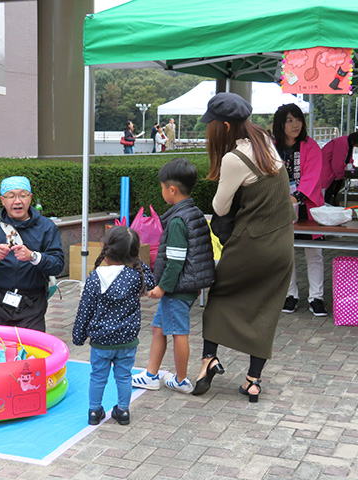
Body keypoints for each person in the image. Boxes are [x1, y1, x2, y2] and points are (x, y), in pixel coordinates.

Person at [192, 92, 295, 403]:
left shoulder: (234, 158)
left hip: (253, 242)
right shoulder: (265, 141)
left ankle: (208, 360)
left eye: (211, 125)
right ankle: (253, 381)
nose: (208, 130)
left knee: (220, 296)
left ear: (224, 126)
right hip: (282, 244)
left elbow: (220, 208)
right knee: (265, 308)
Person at [132, 158, 215, 394]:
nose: (161, 191)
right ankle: (151, 374)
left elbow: (176, 259)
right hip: (185, 286)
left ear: (172, 189)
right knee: (159, 328)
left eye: (161, 187)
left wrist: (162, 288)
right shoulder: (194, 211)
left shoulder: (178, 220)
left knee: (179, 332)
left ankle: (181, 380)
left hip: (176, 288)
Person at [72, 226, 155, 426]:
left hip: (101, 341)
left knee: (98, 377)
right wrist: (138, 261)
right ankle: (123, 411)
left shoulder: (95, 277)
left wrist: (79, 335)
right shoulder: (137, 276)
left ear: (107, 250)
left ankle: (94, 411)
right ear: (133, 253)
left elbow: (85, 309)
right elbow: (152, 282)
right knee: (124, 376)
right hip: (127, 340)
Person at [0, 176, 64, 332]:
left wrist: (34, 257)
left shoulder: (46, 227)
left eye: (23, 195)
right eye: (11, 196)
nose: (17, 201)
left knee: (31, 350)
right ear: (2, 200)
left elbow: (57, 266)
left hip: (32, 302)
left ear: (30, 198)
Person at [273, 104, 327, 317]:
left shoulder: (310, 146)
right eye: (289, 120)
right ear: (280, 124)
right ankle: (290, 295)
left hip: (308, 207)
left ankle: (317, 297)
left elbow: (312, 177)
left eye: (297, 119)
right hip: (281, 208)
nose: (295, 124)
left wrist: (295, 197)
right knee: (287, 253)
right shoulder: (273, 147)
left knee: (314, 253)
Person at [321, 132, 358, 205]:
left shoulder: (348, 143)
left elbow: (348, 160)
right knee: (325, 197)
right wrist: (344, 173)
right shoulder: (342, 143)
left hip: (332, 174)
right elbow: (337, 164)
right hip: (326, 172)